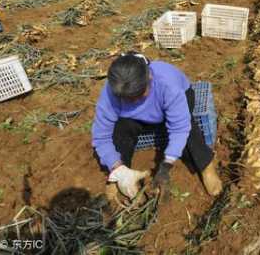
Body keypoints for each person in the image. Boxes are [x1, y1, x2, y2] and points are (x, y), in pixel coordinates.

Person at [91, 52, 223, 201]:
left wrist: (166, 165)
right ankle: (117, 175)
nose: (134, 102)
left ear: (149, 78)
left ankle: (206, 165)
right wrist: (117, 168)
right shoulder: (112, 92)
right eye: (128, 99)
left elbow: (179, 129)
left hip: (180, 98)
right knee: (120, 128)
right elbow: (102, 137)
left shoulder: (167, 84)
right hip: (135, 117)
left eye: (139, 96)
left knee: (188, 128)